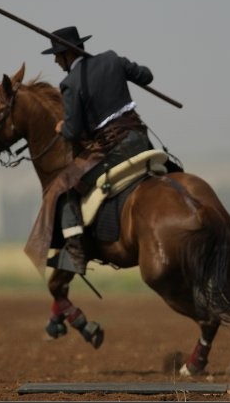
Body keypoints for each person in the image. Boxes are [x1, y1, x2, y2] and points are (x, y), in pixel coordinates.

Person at [40, 26, 155, 275]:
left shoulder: (70, 83)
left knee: (64, 187)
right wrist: (120, 70)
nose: (56, 60)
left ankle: (77, 254)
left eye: (57, 55)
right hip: (141, 140)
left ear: (68, 54)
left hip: (115, 149)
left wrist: (61, 127)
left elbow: (72, 131)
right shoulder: (112, 59)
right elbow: (147, 76)